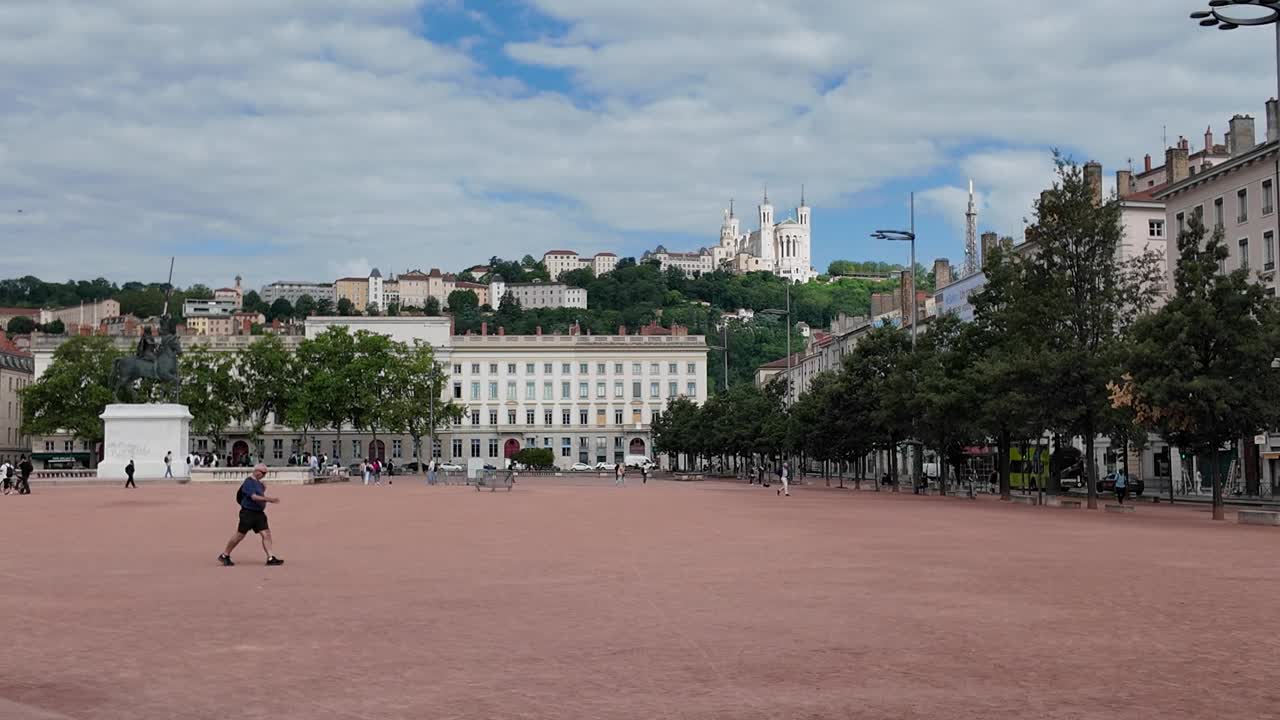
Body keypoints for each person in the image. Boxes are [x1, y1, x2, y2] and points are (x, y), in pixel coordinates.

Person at [218, 463, 283, 567]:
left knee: (266, 533)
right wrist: (269, 499)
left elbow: (259, 494)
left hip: (259, 513)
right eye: (263, 473)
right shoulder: (248, 482)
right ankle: (225, 554)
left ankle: (271, 557)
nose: (264, 475)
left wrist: (264, 489)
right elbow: (254, 497)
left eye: (265, 473)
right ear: (257, 471)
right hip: (248, 513)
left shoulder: (259, 483)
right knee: (240, 535)